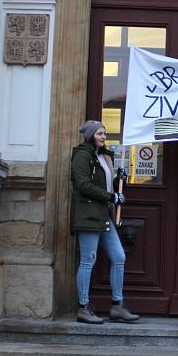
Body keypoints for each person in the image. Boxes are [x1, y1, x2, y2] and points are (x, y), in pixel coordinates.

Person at [71, 120, 139, 324]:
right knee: (88, 260)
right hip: (88, 216)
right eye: (100, 133)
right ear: (91, 135)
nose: (103, 136)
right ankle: (83, 308)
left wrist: (120, 178)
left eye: (105, 133)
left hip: (104, 216)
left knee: (119, 257)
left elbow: (109, 186)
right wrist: (111, 198)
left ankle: (117, 306)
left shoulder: (104, 156)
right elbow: (83, 184)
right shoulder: (82, 155)